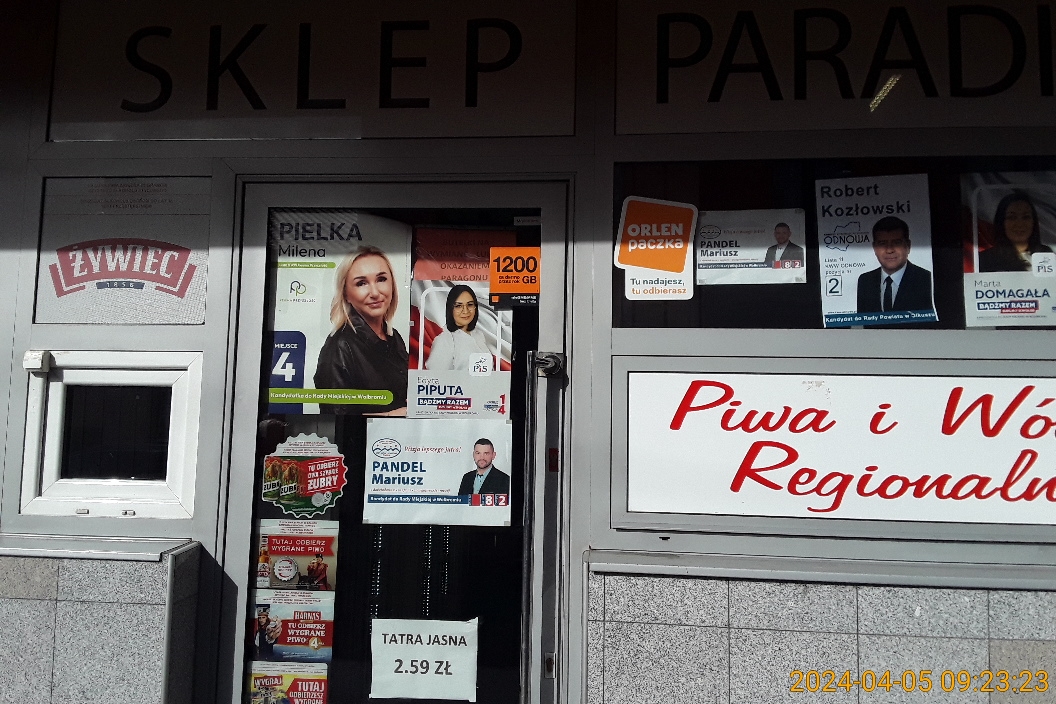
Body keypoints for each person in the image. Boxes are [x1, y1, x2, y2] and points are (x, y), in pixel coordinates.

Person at [314, 245, 408, 414]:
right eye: (361, 283)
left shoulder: (393, 337)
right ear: (346, 294)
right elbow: (335, 419)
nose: (375, 292)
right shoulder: (339, 347)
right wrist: (393, 415)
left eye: (381, 279)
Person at [856, 216, 933, 314]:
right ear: (874, 248)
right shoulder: (865, 281)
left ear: (908, 246)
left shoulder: (926, 279)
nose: (889, 250)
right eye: (882, 243)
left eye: (897, 243)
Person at [978, 190, 1054, 272]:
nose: (1020, 224)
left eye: (1026, 217)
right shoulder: (986, 259)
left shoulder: (1046, 253)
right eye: (1012, 217)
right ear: (1001, 222)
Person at [425, 285, 492, 371]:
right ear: (451, 309)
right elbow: (437, 375)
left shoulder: (479, 335)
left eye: (470, 305)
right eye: (458, 306)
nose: (465, 311)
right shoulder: (445, 340)